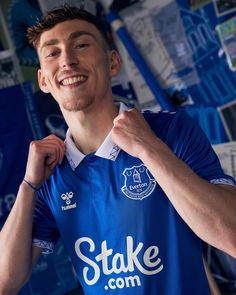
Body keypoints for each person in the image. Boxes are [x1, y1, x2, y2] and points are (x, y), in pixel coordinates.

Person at [0, 5, 236, 295]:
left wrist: (150, 149)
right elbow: (4, 282)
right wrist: (28, 185)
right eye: (52, 52)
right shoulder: (49, 174)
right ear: (43, 81)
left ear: (112, 62)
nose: (68, 60)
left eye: (81, 44)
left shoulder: (170, 131)